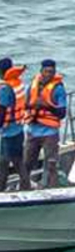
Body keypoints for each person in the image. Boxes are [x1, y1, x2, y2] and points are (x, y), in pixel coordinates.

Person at [25, 59, 67, 188]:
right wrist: (32, 106)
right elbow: (25, 105)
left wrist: (46, 106)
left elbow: (62, 113)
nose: (48, 74)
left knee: (51, 164)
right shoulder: (32, 85)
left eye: (51, 72)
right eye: (46, 71)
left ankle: (52, 188)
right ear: (41, 71)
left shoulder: (58, 89)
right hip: (33, 131)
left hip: (50, 133)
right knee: (27, 163)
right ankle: (24, 186)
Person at [0, 58, 30, 191]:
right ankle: (24, 186)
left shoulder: (5, 88)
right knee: (14, 161)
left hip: (8, 132)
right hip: (18, 128)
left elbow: (2, 111)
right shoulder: (17, 83)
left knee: (8, 163)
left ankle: (4, 190)